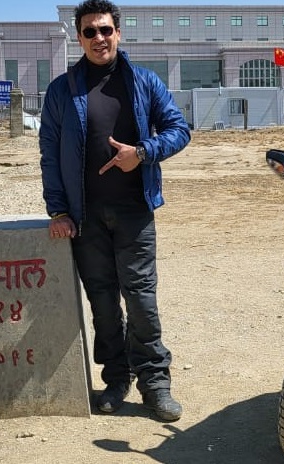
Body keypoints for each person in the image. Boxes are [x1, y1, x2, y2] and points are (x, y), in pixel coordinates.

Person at [39, 0, 191, 422]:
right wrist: (58, 211)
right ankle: (116, 378)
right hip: (85, 217)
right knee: (103, 303)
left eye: (105, 30)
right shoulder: (61, 90)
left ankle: (155, 382)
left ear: (118, 33)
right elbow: (49, 153)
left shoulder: (143, 82)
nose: (99, 38)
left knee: (141, 299)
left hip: (134, 212)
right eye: (90, 31)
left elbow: (179, 130)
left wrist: (141, 153)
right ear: (79, 38)